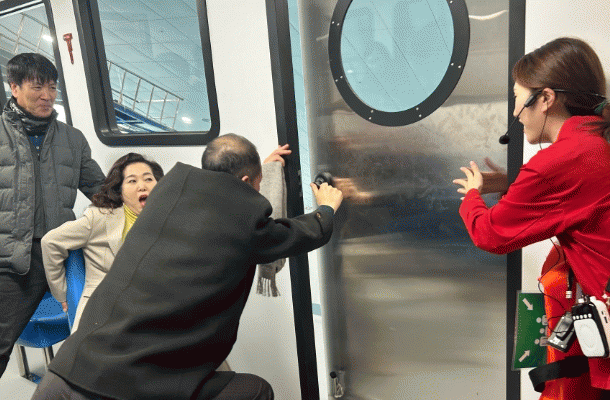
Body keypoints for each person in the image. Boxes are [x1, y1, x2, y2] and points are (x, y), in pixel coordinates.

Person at [31, 133, 343, 400]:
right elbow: (297, 234)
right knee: (257, 390)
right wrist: (326, 208)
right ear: (246, 182)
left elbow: (226, 192)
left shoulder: (165, 195)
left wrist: (267, 169)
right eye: (258, 185)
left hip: (66, 373)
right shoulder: (243, 224)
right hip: (129, 387)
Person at [453, 37, 610, 399]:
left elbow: (490, 234)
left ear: (545, 98)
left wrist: (472, 195)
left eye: (517, 98)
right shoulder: (599, 140)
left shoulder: (562, 158)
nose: (516, 113)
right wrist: (514, 184)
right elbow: (582, 195)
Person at [0, 53, 105, 378]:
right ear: (14, 87)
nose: (47, 95)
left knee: (99, 331)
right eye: (37, 87)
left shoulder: (72, 139)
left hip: (62, 253)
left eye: (52, 87)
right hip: (13, 259)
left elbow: (101, 190)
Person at [41, 153, 163, 332]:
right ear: (119, 190)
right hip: (104, 310)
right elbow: (50, 242)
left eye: (148, 179)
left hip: (151, 308)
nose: (142, 186)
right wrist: (60, 293)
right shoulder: (99, 217)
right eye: (132, 181)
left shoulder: (167, 220)